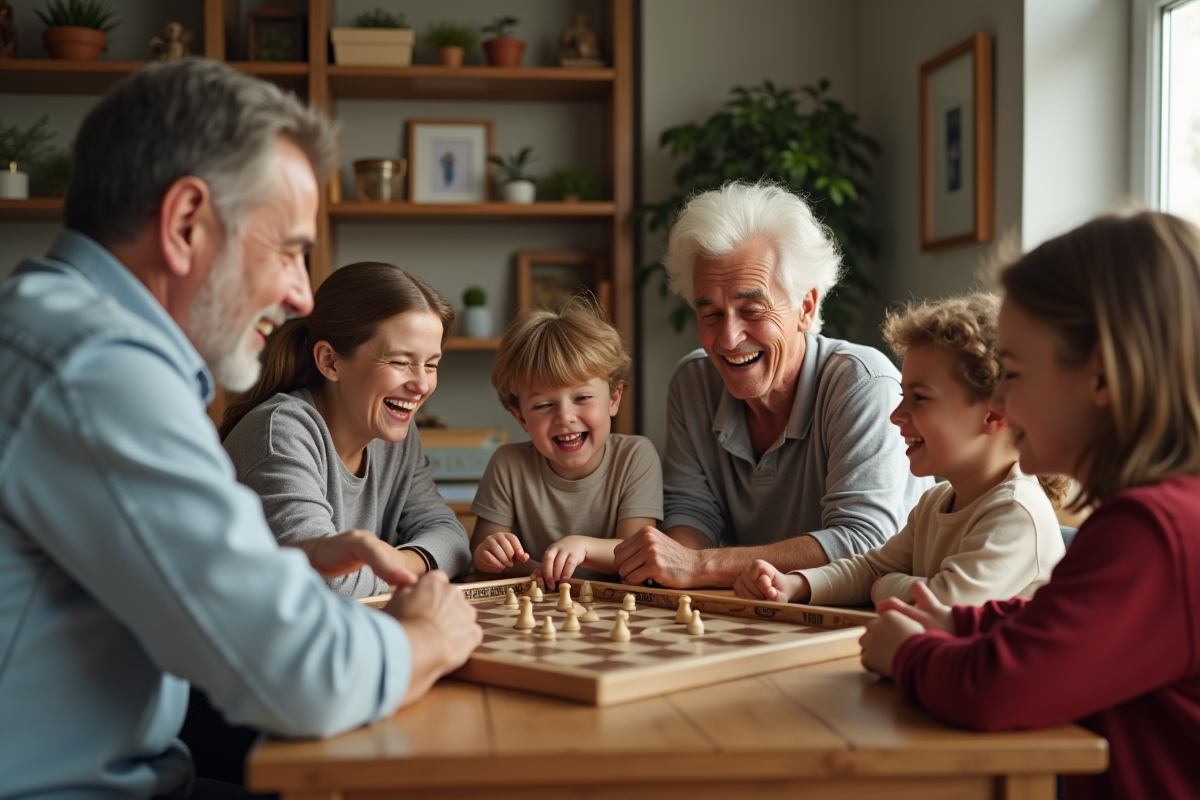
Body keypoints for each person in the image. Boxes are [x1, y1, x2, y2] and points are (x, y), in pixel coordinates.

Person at [0, 59, 481, 799]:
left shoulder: (49, 330)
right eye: (287, 249)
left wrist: (286, 574)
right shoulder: (97, 370)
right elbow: (307, 675)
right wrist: (425, 636)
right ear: (186, 223)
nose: (298, 292)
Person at [859, 211, 1200, 798]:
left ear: (1100, 376)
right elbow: (1056, 627)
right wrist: (959, 622)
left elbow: (997, 689)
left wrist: (910, 654)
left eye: (1012, 374)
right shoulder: (1155, 516)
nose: (999, 401)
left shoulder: (1153, 532)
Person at [613, 181, 931, 588]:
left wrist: (699, 567)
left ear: (806, 307)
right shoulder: (693, 381)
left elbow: (866, 542)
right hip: (754, 610)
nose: (728, 339)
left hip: (871, 619)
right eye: (710, 314)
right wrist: (680, 563)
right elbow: (692, 514)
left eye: (752, 310)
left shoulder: (862, 383)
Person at [734, 292, 1065, 607]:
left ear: (994, 414)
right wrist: (796, 584)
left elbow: (941, 603)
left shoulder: (1016, 512)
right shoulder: (934, 502)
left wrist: (885, 586)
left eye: (919, 397)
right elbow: (870, 568)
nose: (895, 415)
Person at [221, 261, 472, 598]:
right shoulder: (280, 432)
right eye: (400, 362)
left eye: (431, 364)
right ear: (330, 361)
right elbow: (329, 583)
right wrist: (418, 565)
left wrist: (396, 561)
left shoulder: (392, 432)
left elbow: (453, 541)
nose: (422, 384)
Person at [470, 302, 663, 590]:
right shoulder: (507, 464)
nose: (565, 417)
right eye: (544, 405)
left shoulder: (635, 457)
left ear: (614, 398)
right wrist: (490, 552)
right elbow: (482, 557)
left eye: (582, 398)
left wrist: (582, 547)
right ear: (520, 417)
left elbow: (635, 553)